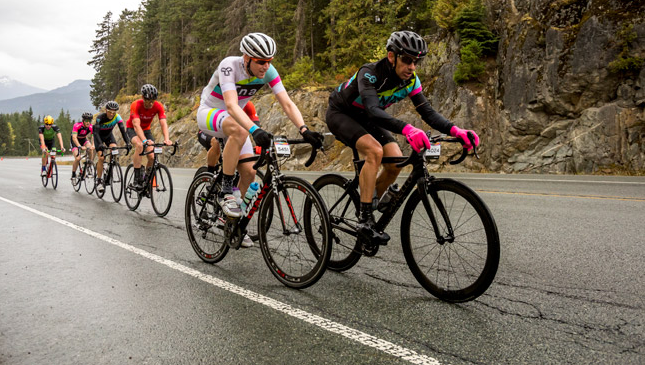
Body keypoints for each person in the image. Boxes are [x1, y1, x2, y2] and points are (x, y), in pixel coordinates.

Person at [326, 30, 480, 244]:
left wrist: (456, 131)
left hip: (368, 118)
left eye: (416, 62)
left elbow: (427, 112)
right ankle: (365, 219)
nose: (412, 67)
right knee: (374, 151)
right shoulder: (370, 73)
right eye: (407, 60)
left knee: (396, 161)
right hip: (341, 113)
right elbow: (372, 109)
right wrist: (408, 129)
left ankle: (370, 201)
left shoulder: (411, 81)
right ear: (392, 56)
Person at [196, 32, 323, 221]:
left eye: (269, 61)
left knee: (249, 172)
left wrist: (304, 129)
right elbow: (230, 105)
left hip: (234, 119)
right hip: (209, 112)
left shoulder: (268, 72)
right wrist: (255, 130)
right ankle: (226, 192)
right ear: (247, 58)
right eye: (261, 61)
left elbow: (287, 103)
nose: (266, 66)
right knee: (240, 130)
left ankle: (231, 222)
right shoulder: (229, 66)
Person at [126, 84, 172, 188]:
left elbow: (163, 123)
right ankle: (137, 179)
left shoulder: (158, 106)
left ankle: (147, 179)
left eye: (153, 101)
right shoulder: (136, 105)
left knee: (152, 155)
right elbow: (136, 126)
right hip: (132, 129)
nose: (150, 103)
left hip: (146, 130)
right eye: (148, 100)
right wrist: (144, 141)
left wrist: (167, 139)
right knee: (139, 145)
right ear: (143, 98)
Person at [196, 100, 260, 174]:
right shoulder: (223, 100)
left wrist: (259, 145)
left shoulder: (248, 104)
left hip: (229, 133)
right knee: (216, 142)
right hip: (209, 130)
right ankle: (210, 172)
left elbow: (256, 127)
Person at [92, 101, 131, 184]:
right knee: (101, 158)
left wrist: (128, 143)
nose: (111, 114)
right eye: (110, 112)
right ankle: (99, 180)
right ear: (106, 110)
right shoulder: (100, 117)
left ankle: (109, 169)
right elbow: (95, 133)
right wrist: (100, 144)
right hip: (98, 137)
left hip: (108, 136)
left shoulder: (117, 117)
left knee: (114, 149)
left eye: (113, 112)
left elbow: (123, 131)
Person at [70, 112, 95, 179]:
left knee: (90, 149)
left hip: (83, 139)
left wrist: (93, 145)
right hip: (75, 141)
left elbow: (93, 136)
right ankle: (73, 173)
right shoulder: (77, 125)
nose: (88, 122)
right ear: (83, 120)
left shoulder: (91, 127)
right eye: (86, 120)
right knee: (78, 158)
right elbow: (74, 138)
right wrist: (79, 146)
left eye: (89, 121)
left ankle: (89, 165)